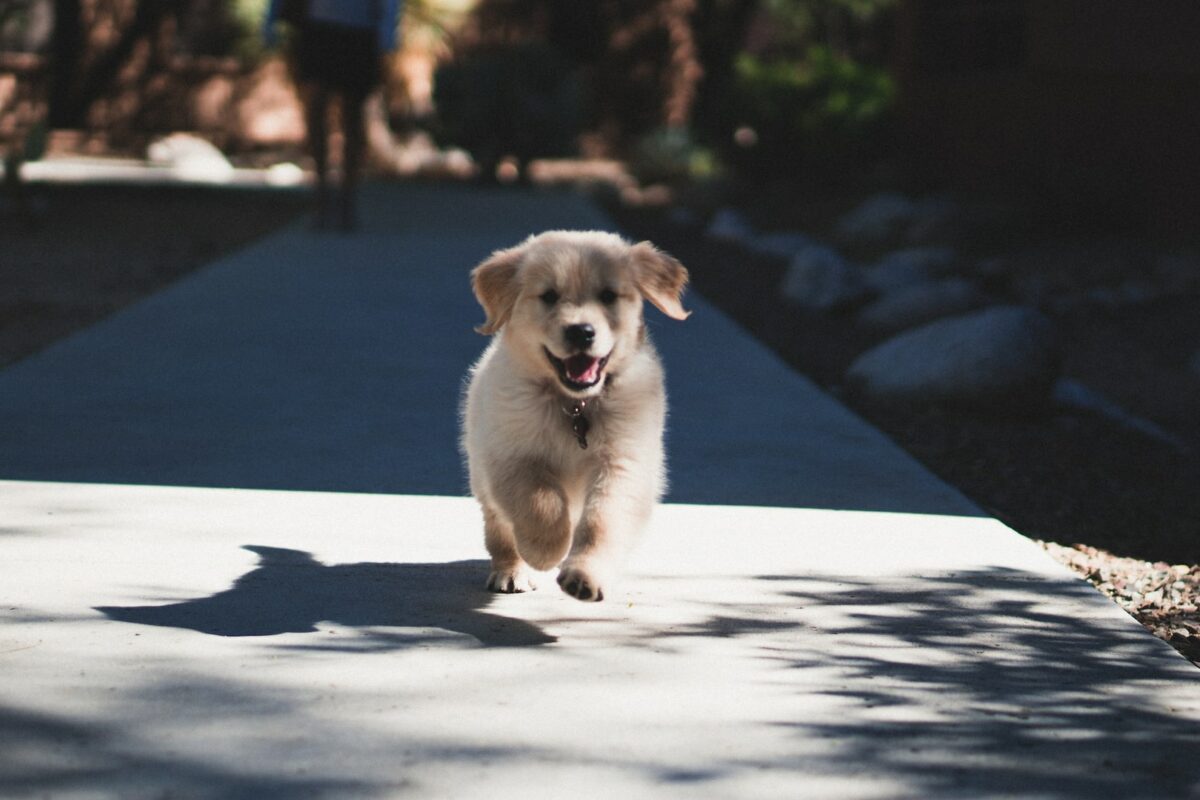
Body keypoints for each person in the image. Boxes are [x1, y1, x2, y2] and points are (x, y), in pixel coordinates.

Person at [264, 0, 402, 231]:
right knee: (316, 109)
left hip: (359, 30)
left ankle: (347, 198)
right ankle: (321, 194)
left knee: (352, 115)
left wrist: (387, 31)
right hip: (318, 28)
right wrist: (270, 19)